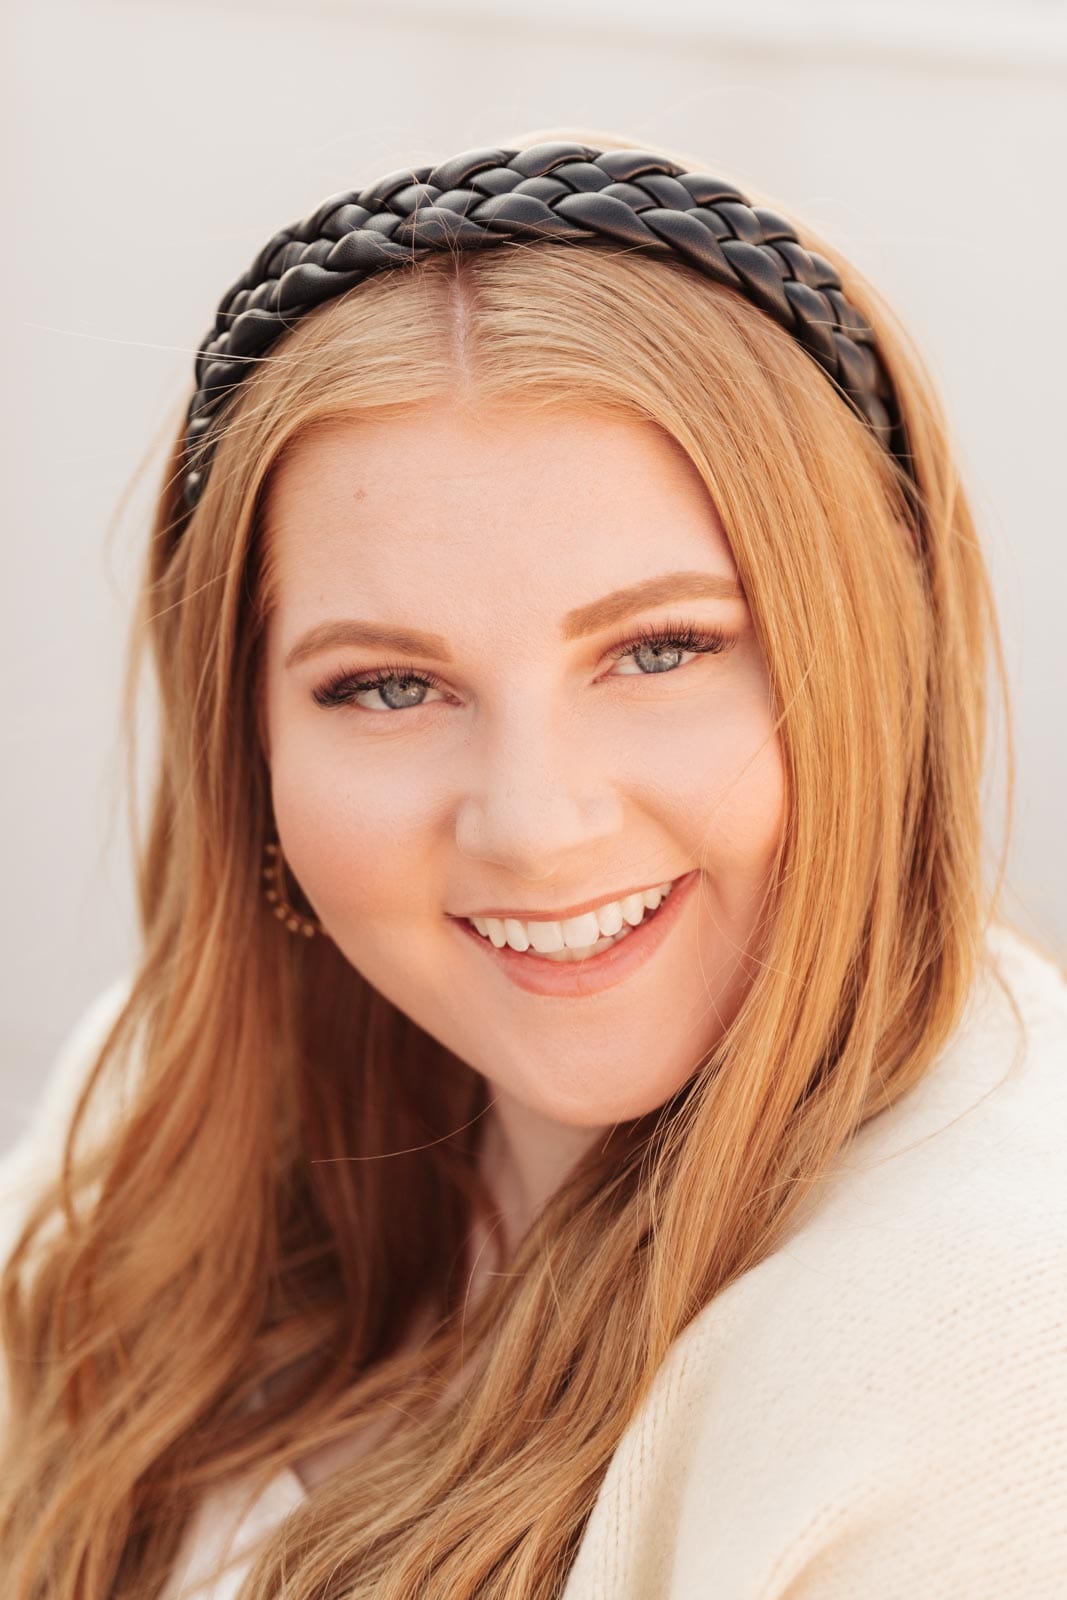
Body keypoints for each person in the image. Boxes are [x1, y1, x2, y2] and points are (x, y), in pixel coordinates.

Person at [1, 125, 1065, 1600]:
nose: (535, 826)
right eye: (389, 685)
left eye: (661, 650)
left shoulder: (992, 1336)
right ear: (248, 745)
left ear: (867, 657)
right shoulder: (151, 1117)